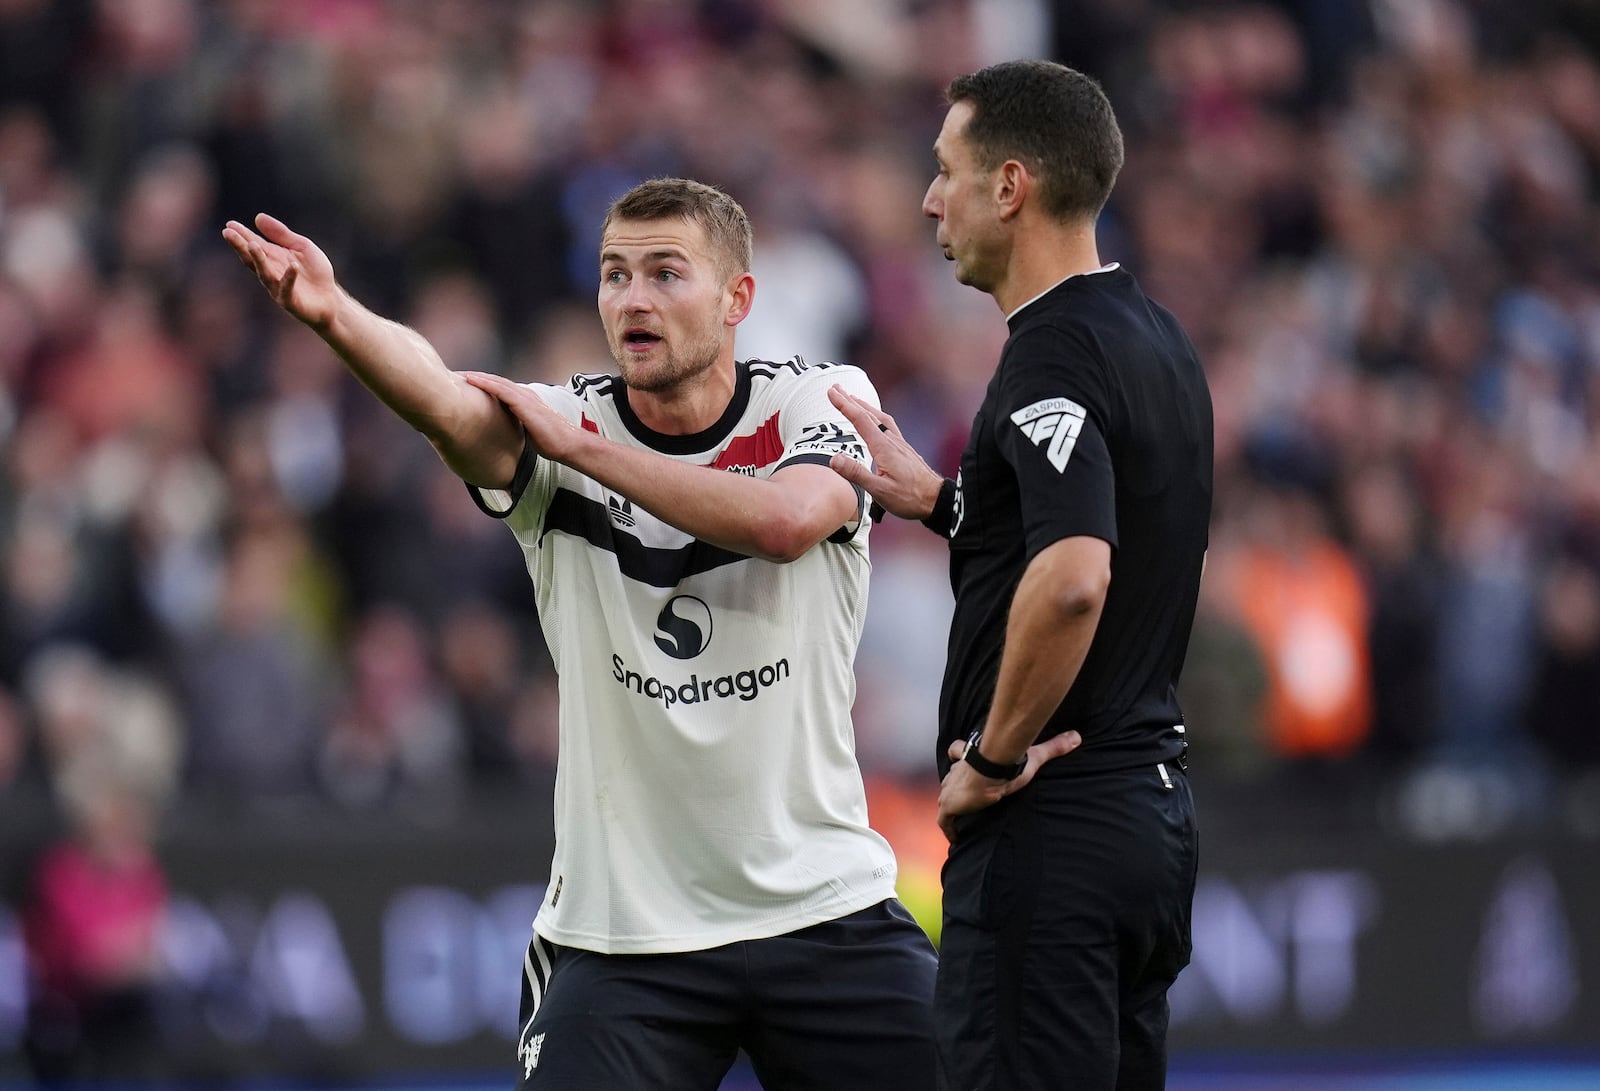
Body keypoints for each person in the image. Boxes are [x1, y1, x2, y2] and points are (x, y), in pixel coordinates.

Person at [223, 178, 948, 1089]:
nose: (633, 298)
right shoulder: (562, 421)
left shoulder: (815, 401)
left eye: (665, 273)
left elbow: (785, 522)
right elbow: (448, 403)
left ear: (738, 300)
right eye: (614, 275)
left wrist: (588, 455)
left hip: (823, 905)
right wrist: (335, 316)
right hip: (624, 936)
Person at [828, 61, 1213, 1090]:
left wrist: (992, 761)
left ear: (1010, 186)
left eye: (945, 170)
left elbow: (1077, 574)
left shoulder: (1052, 352)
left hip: (1055, 831)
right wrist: (949, 503)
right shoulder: (1157, 337)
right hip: (1151, 814)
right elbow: (1112, 541)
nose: (928, 199)